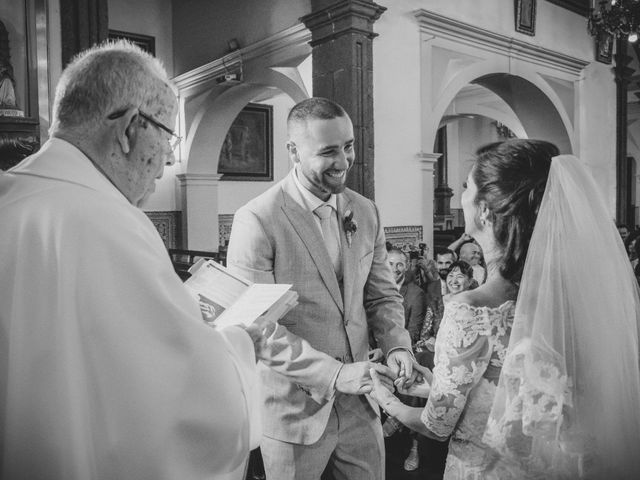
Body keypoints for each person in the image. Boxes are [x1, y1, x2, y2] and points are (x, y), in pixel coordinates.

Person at [0, 41, 270, 480]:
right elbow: (179, 407)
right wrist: (240, 347)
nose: (165, 163)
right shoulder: (110, 223)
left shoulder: (11, 193)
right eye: (166, 139)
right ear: (129, 129)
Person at [368, 139, 640, 478]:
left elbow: (437, 425)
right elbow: (508, 391)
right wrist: (434, 385)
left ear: (484, 210)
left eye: (467, 186)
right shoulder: (567, 298)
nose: (461, 196)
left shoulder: (471, 309)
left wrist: (382, 396)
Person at [226, 97, 414, 480]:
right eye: (328, 151)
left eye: (348, 146)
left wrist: (397, 344)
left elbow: (382, 295)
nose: (344, 161)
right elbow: (257, 328)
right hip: (294, 412)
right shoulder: (257, 219)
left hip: (363, 403)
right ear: (293, 151)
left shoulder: (365, 211)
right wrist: (333, 375)